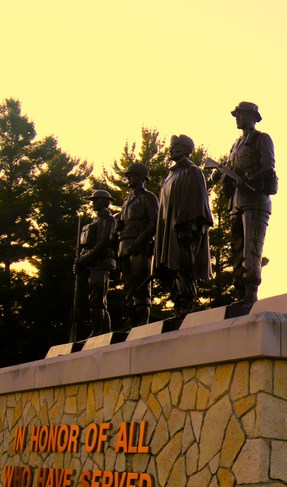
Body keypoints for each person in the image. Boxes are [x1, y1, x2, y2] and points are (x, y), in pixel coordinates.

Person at [206, 101, 276, 307]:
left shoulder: (261, 139)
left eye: (241, 114)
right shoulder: (235, 146)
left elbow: (268, 167)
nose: (237, 118)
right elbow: (229, 170)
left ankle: (250, 293)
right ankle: (240, 293)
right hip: (236, 203)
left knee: (251, 249)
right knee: (236, 249)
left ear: (252, 117)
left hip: (255, 201)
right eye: (237, 115)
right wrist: (223, 176)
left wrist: (249, 179)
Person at [154, 135, 213, 318]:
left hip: (185, 228)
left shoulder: (192, 171)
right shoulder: (170, 175)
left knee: (184, 265)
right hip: (168, 231)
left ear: (187, 150)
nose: (172, 150)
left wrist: (191, 225)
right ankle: (177, 303)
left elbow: (198, 200)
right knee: (170, 266)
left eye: (177, 147)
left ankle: (186, 303)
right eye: (172, 147)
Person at [117, 163, 158, 326]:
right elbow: (123, 222)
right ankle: (133, 322)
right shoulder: (127, 200)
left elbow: (154, 223)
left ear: (142, 178)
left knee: (141, 286)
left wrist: (139, 242)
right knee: (128, 288)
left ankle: (142, 322)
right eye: (128, 176)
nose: (129, 178)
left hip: (140, 247)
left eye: (132, 176)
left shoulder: (148, 197)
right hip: (125, 246)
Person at [75, 190, 117, 336]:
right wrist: (80, 260)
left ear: (105, 202)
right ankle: (102, 330)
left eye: (96, 200)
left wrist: (85, 259)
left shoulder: (109, 219)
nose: (94, 203)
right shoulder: (94, 222)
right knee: (95, 299)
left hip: (101, 262)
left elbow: (103, 242)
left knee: (97, 299)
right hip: (92, 263)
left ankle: (98, 330)